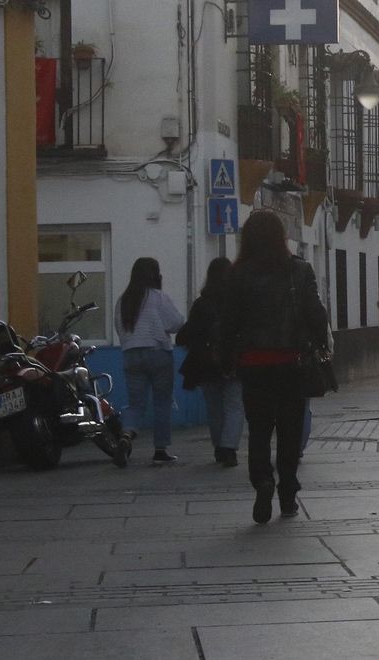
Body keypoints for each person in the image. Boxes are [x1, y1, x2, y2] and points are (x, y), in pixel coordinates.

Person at [218, 212, 328, 523]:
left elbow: (227, 325)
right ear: (282, 237)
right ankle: (288, 493)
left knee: (259, 430)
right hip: (291, 363)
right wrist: (322, 346)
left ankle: (263, 481)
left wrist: (227, 360)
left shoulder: (238, 275)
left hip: (254, 365)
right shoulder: (299, 270)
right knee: (290, 431)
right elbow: (317, 315)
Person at [115, 256, 185, 464]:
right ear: (155, 274)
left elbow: (120, 328)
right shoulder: (158, 297)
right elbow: (176, 322)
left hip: (130, 354)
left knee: (135, 404)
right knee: (162, 402)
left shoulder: (123, 300)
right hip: (157, 353)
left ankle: (126, 435)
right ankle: (160, 450)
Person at [177, 257, 242, 467]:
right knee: (234, 407)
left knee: (214, 409)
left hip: (207, 365)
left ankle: (219, 448)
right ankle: (229, 448)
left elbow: (189, 334)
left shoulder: (201, 304)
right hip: (234, 361)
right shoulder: (236, 302)